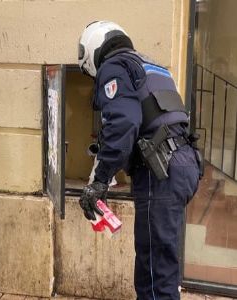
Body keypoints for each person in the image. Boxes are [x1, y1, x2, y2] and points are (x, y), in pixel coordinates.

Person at [77, 21, 201, 300]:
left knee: (155, 273)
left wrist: (99, 182)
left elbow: (122, 124)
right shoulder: (151, 66)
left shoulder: (114, 66)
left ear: (93, 50)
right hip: (184, 165)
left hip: (161, 172)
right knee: (159, 263)